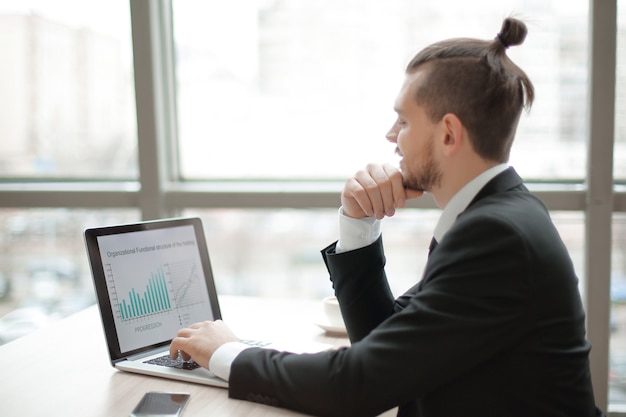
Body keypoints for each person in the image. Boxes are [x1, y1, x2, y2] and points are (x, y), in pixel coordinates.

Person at [170, 17, 603, 417]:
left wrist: (228, 353)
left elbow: (358, 386)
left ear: (448, 134)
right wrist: (358, 223)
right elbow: (388, 344)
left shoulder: (498, 236)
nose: (391, 136)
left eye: (403, 121)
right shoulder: (499, 215)